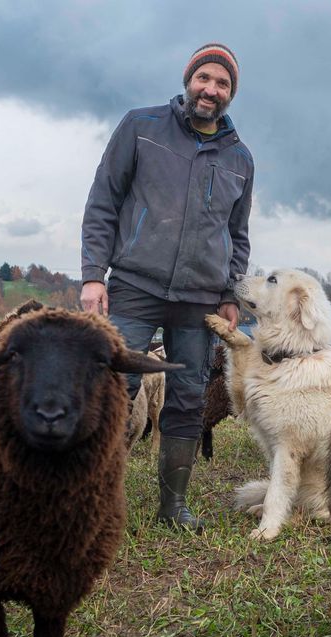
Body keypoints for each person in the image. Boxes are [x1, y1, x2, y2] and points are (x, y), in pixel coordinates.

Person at [80, 43, 253, 531]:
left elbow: (237, 235)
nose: (211, 90)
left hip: (200, 299)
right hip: (135, 285)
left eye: (222, 84)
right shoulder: (141, 127)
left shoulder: (240, 158)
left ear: (230, 93)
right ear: (188, 79)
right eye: (205, 79)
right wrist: (94, 274)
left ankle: (172, 507)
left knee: (187, 395)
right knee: (114, 386)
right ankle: (94, 501)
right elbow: (103, 202)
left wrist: (231, 295)